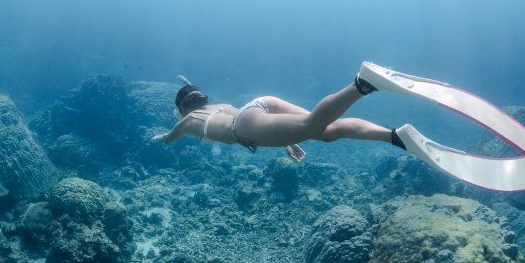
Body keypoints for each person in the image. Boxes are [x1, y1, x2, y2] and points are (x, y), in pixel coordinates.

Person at [151, 69, 407, 162]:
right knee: (327, 132)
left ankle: (363, 84)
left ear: (183, 110)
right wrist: (289, 141)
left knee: (313, 124)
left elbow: (168, 138)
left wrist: (158, 138)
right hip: (260, 105)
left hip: (245, 126)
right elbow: (266, 123)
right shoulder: (217, 105)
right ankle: (394, 136)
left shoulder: (186, 122)